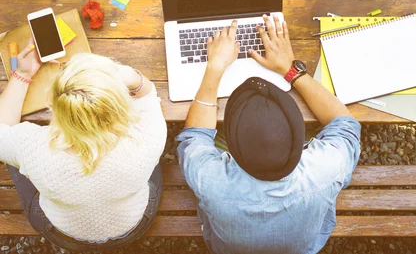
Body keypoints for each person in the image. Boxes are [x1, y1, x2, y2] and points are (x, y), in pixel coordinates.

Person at [177, 15, 361, 254]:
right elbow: (345, 125)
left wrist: (215, 67)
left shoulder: (210, 180)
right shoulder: (325, 168)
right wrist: (291, 70)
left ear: (231, 146)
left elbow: (194, 138)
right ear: (298, 139)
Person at [0, 48, 167, 252]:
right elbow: (148, 95)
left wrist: (21, 74)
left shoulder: (31, 145)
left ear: (55, 105)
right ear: (120, 105)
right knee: (154, 163)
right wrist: (132, 76)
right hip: (134, 225)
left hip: (61, 232)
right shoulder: (146, 138)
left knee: (15, 160)